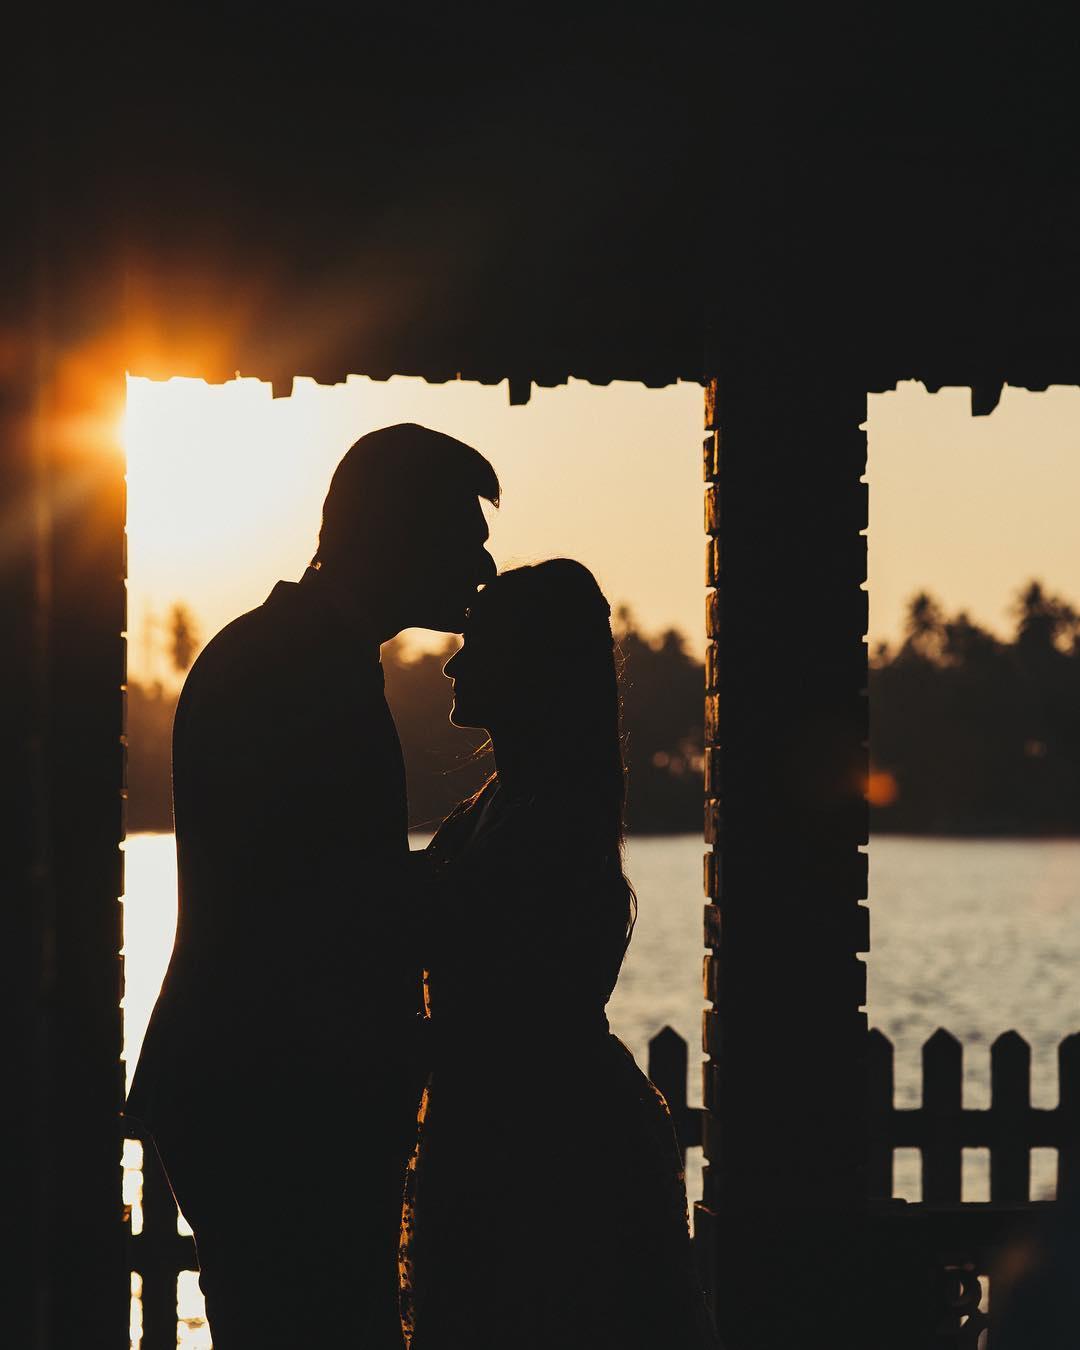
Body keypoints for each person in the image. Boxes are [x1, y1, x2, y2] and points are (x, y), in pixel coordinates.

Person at [125, 424, 499, 1349]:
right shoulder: (298, 669)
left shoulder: (289, 650)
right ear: (396, 531)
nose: (484, 561)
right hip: (278, 1099)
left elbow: (314, 876)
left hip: (261, 1083)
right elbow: (321, 905)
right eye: (463, 530)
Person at [398, 559, 721, 1349]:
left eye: (477, 643)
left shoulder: (545, 828)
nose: (452, 660)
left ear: (527, 665)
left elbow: (510, 1018)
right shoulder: (497, 808)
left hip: (547, 1156)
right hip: (515, 1130)